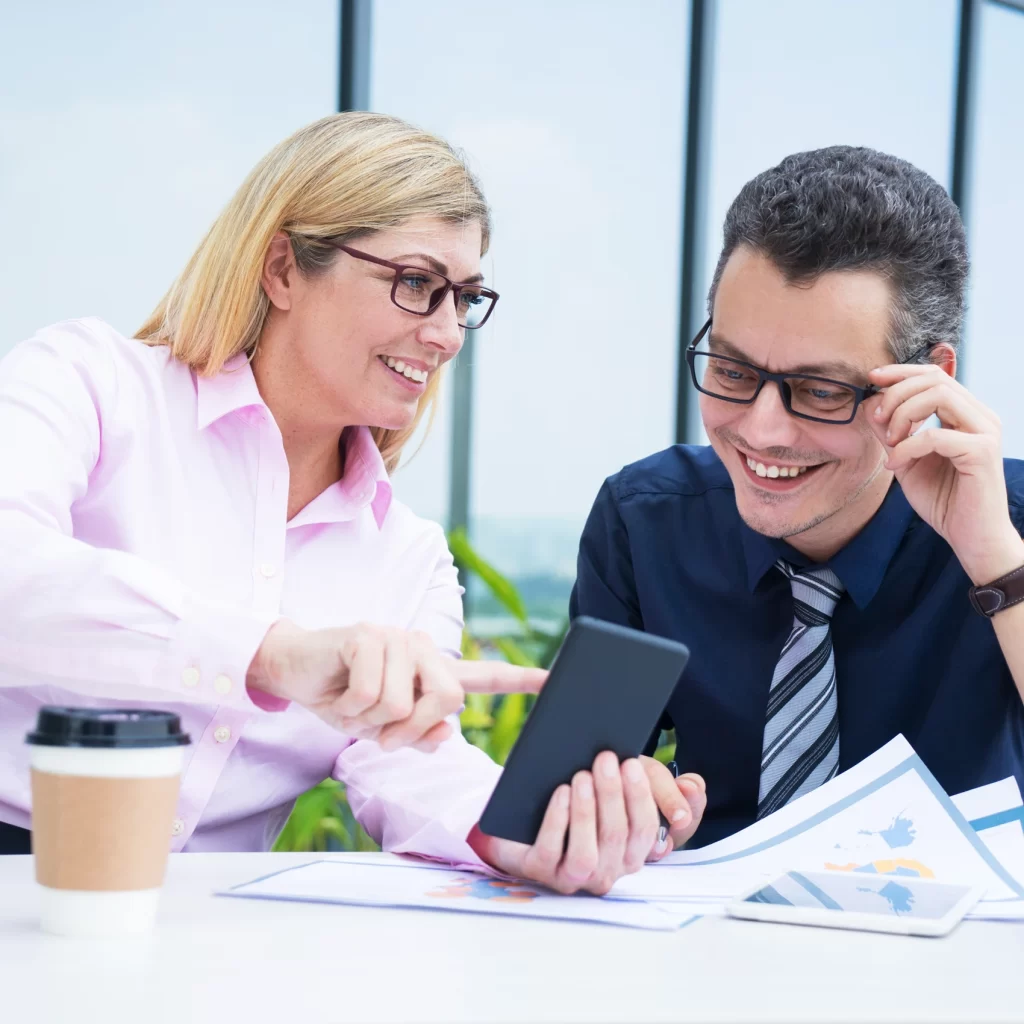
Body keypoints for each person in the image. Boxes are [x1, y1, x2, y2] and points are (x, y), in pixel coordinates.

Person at [0, 112, 699, 893]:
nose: (446, 334)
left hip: (201, 926)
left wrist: (526, 835)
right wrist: (271, 653)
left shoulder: (406, 558)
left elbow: (408, 763)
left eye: (463, 299)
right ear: (283, 269)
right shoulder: (90, 384)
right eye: (415, 284)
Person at [573, 145, 1024, 847]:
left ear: (926, 380)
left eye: (821, 391)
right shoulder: (647, 522)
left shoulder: (1009, 525)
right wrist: (605, 802)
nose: (761, 429)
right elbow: (571, 792)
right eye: (731, 369)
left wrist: (997, 563)